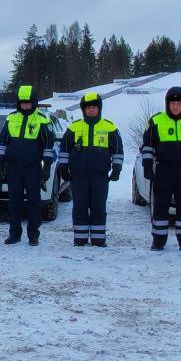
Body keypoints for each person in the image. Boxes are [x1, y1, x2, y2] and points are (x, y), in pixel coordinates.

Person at [139, 85, 181, 252]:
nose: (175, 106)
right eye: (172, 103)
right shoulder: (156, 120)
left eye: (179, 103)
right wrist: (147, 166)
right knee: (160, 207)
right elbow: (147, 145)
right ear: (167, 104)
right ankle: (158, 241)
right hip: (164, 170)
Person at [57, 92, 123, 247]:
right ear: (83, 109)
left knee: (98, 207)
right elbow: (64, 150)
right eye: (88, 107)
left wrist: (117, 168)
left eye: (94, 107)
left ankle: (98, 239)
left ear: (99, 108)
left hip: (100, 176)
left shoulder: (110, 127)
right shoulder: (73, 128)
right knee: (79, 207)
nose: (91, 110)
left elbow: (118, 150)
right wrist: (64, 168)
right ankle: (80, 239)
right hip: (78, 176)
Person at [0, 84, 55, 246]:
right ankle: (14, 234)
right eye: (23, 103)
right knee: (14, 202)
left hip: (32, 168)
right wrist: (0, 160)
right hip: (13, 167)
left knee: (34, 202)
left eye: (28, 103)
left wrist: (47, 166)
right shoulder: (11, 118)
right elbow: (3, 141)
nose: (25, 105)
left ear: (34, 102)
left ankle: (33, 235)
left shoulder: (42, 119)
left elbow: (48, 145)